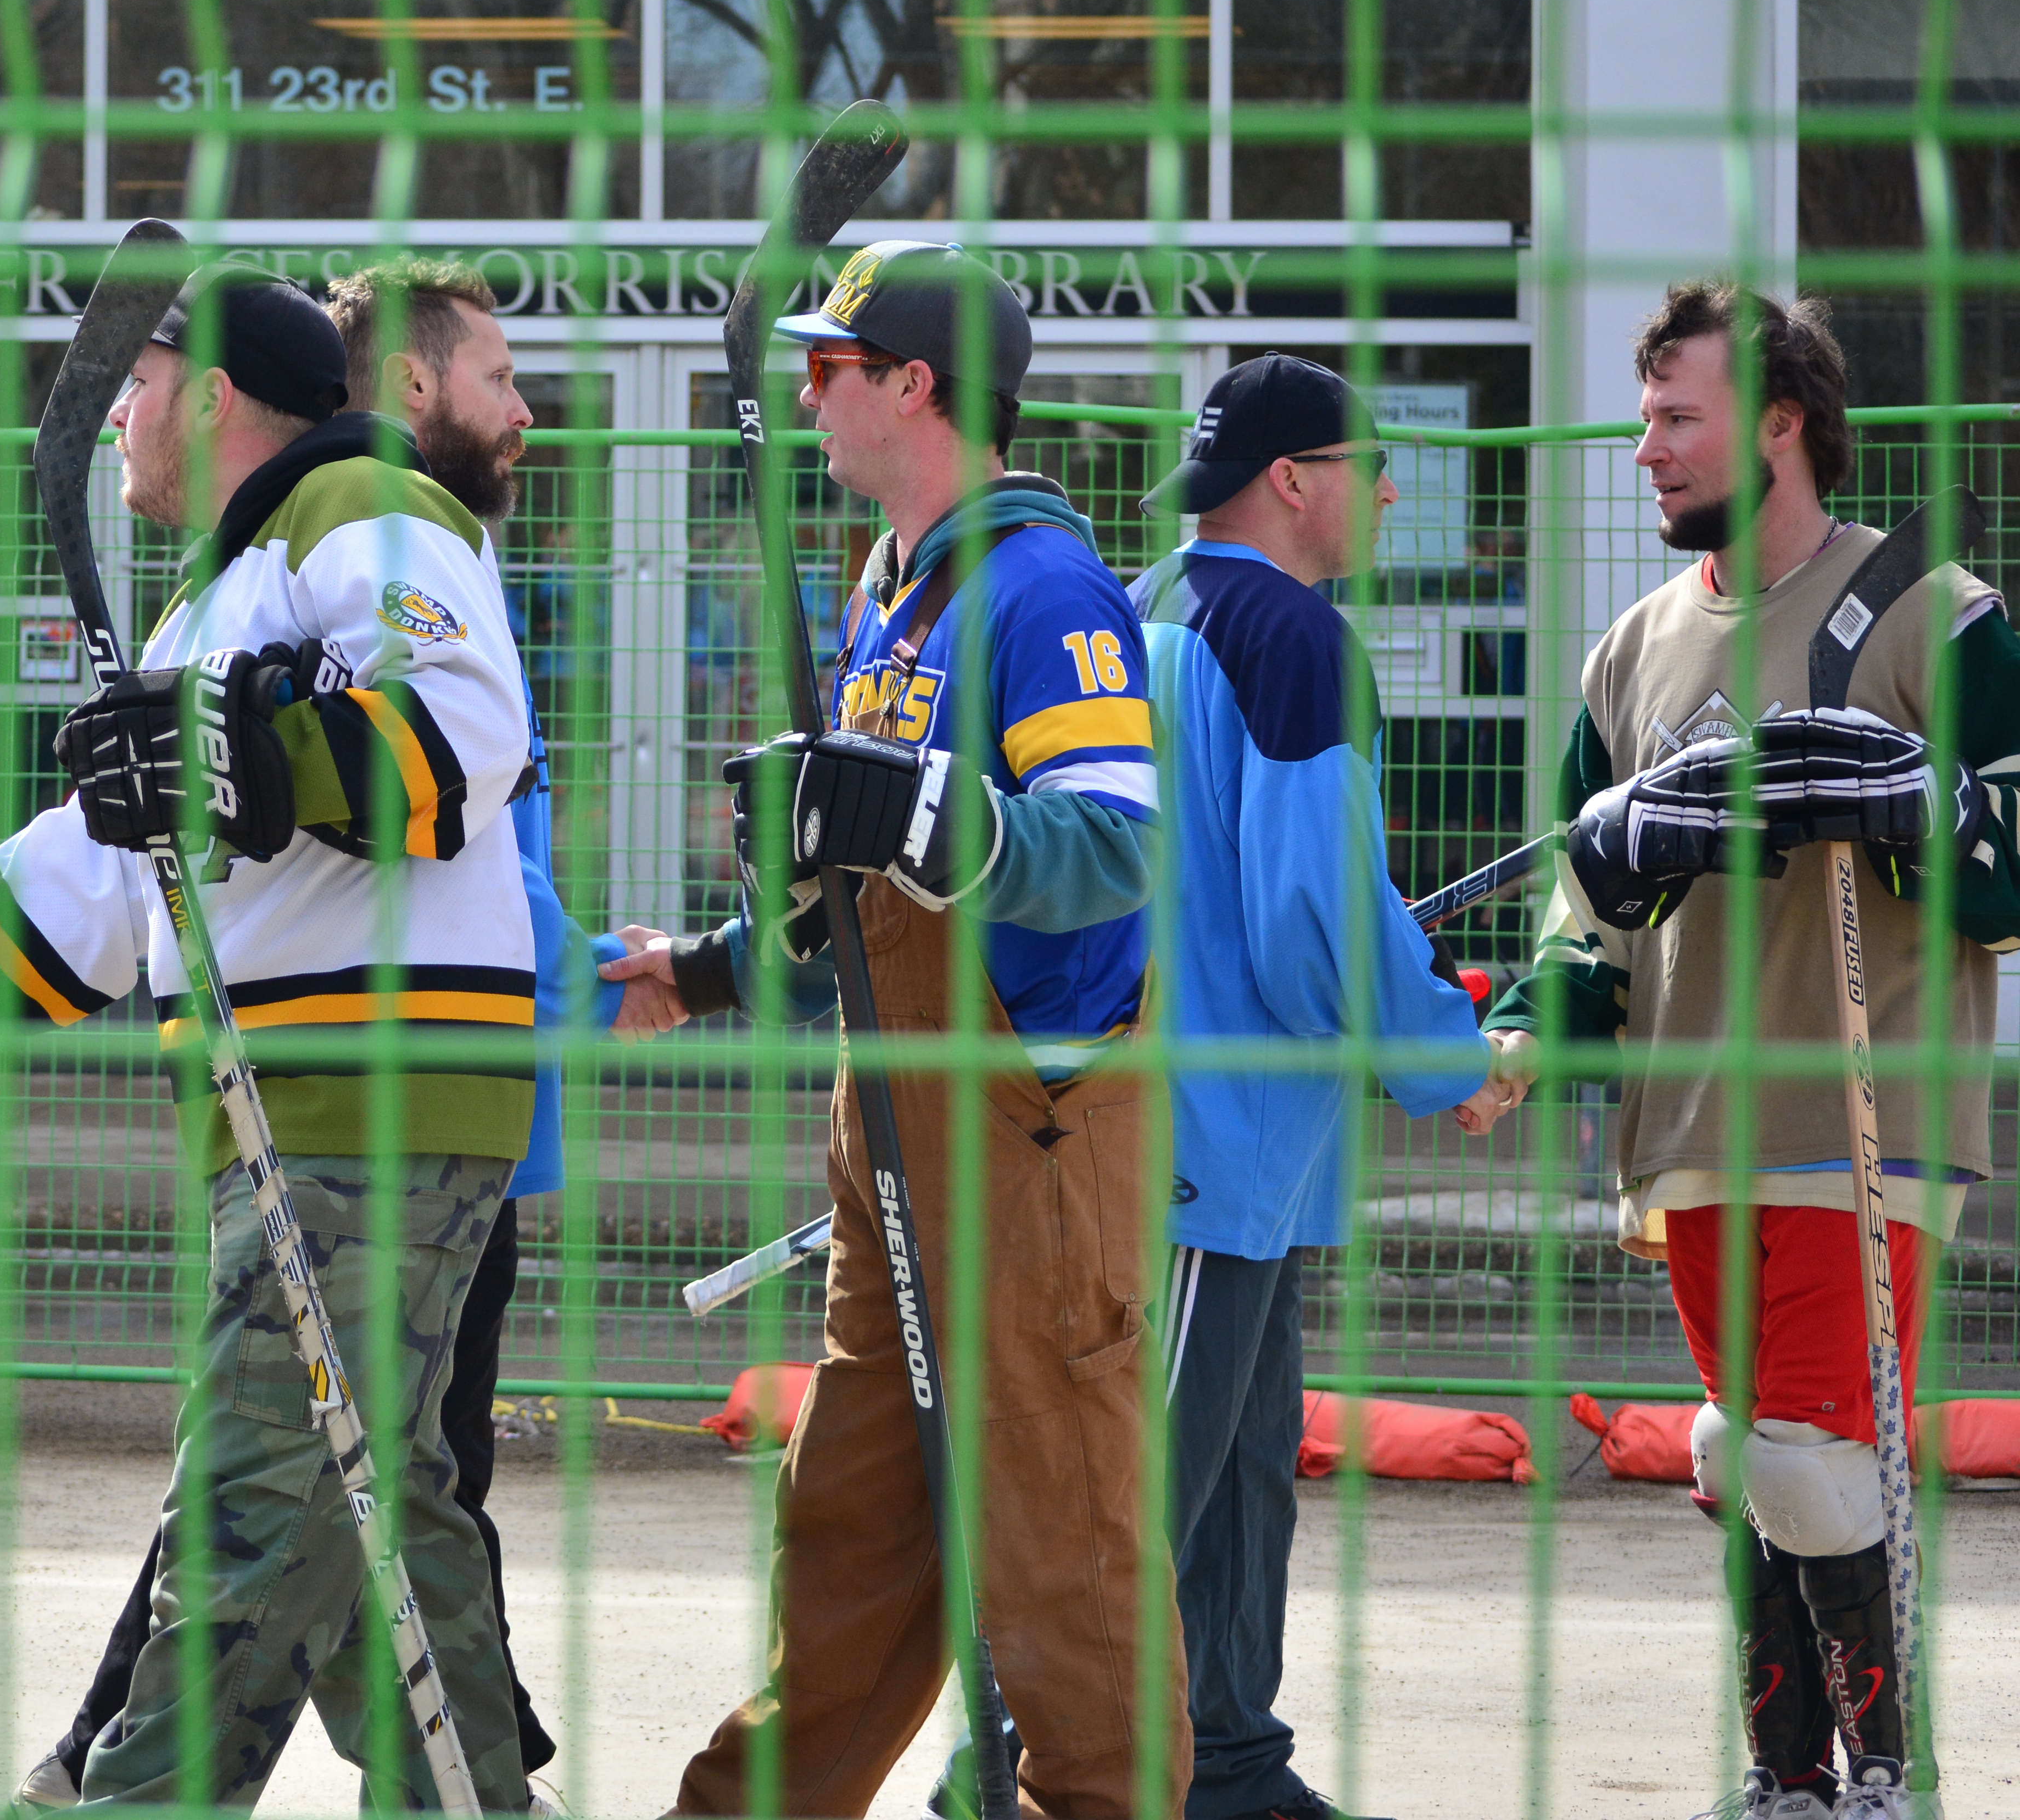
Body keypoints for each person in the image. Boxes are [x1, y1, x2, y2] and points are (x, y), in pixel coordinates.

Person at [0, 259, 543, 1811]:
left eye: (137, 383)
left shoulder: (358, 495)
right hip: (319, 1110)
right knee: (375, 1518)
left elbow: (462, 735)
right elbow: (91, 875)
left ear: (211, 393)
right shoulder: (223, 585)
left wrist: (236, 754)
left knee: (254, 1521)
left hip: (369, 1108)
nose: (118, 416)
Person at [13, 257, 690, 1814]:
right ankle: (451, 1786)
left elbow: (459, 821)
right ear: (406, 388)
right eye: (502, 377)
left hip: (416, 1112)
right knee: (369, 1483)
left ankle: (112, 1771)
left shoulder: (402, 550)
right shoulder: (350, 548)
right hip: (382, 1101)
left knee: (308, 1480)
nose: (526, 412)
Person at [609, 242, 1191, 1819]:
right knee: (854, 1544)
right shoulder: (893, 589)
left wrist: (937, 813)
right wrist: (717, 966)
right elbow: (870, 904)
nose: (805, 392)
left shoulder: (1044, 586)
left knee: (1069, 1575)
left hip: (1032, 1151)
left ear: (915, 385)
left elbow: (1114, 849)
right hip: (895, 1151)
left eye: (830, 366)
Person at [1486, 287, 2019, 1820]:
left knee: (1798, 1452)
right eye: (1644, 417)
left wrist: (1919, 817)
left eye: (1676, 418)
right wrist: (1531, 1031)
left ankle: (1886, 1776)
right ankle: (1788, 1776)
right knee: (1758, 1455)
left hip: (1869, 1109)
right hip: (1682, 1131)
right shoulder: (1632, 650)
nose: (1643, 449)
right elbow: (1582, 908)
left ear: (1780, 422)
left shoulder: (1939, 610)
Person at [1127, 353, 1531, 1820]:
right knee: (1154, 1497)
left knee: (1238, 1471)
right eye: (1374, 464)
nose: (1392, 491)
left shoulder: (1149, 601)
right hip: (1201, 1139)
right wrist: (1441, 1060)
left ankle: (1227, 1762)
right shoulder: (1291, 635)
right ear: (1297, 479)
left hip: (1232, 1143)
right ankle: (1026, 1773)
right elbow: (1316, 925)